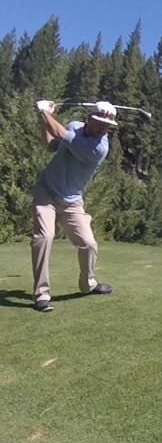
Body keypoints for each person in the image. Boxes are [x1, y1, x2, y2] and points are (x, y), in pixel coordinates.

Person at [30, 100, 116, 312]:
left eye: (108, 125)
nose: (104, 129)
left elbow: (59, 133)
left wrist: (44, 112)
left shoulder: (99, 148)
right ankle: (41, 294)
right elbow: (52, 143)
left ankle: (89, 284)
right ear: (89, 119)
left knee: (88, 244)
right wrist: (45, 119)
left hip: (72, 201)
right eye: (100, 123)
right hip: (46, 192)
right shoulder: (74, 127)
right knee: (44, 237)